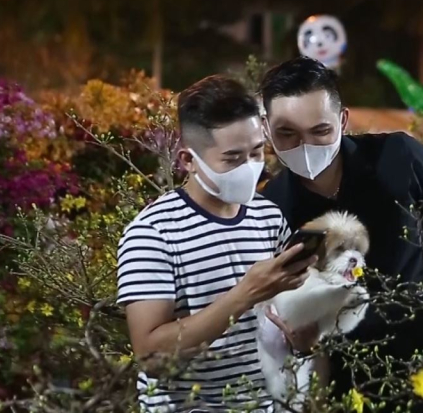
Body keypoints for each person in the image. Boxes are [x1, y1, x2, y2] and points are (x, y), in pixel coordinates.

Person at [258, 57, 423, 404]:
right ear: (266, 129)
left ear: (342, 120)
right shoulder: (272, 208)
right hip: (353, 385)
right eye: (287, 134)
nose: (305, 146)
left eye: (320, 131)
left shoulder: (400, 157)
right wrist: (301, 343)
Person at [116, 75, 318, 411]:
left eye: (257, 152)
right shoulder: (152, 233)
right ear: (188, 160)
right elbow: (151, 358)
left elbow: (284, 316)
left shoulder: (267, 216)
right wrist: (244, 294)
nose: (250, 168)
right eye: (232, 158)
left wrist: (304, 334)